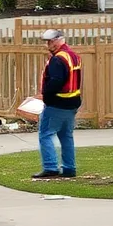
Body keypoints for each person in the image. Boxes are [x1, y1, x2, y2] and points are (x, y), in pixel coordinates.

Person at [33, 29, 82, 180]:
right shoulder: (73, 56)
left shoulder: (58, 59)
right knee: (66, 136)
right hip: (73, 102)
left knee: (45, 134)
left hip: (57, 103)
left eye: (51, 41)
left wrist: (45, 96)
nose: (49, 44)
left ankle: (50, 167)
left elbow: (56, 81)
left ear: (59, 40)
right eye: (48, 42)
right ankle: (69, 168)